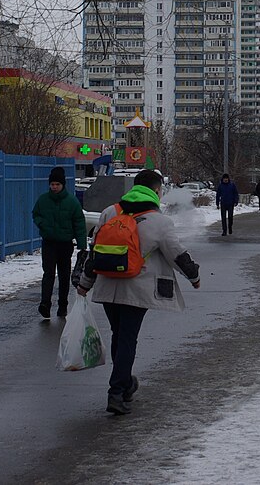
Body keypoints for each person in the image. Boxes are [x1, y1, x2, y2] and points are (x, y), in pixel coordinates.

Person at [77, 170, 201, 416]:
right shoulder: (160, 221)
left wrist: (85, 283)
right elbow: (176, 253)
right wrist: (194, 276)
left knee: (119, 335)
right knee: (127, 339)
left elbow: (95, 252)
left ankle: (124, 385)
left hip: (107, 287)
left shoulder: (110, 212)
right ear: (156, 191)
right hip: (136, 288)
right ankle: (117, 390)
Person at [32, 166, 87, 319]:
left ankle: (63, 305)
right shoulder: (43, 200)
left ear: (63, 185)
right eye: (52, 184)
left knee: (64, 275)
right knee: (48, 273)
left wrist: (82, 245)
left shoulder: (71, 201)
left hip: (65, 244)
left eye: (57, 184)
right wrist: (42, 224)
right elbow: (35, 214)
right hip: (49, 243)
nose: (54, 187)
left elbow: (79, 223)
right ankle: (45, 304)